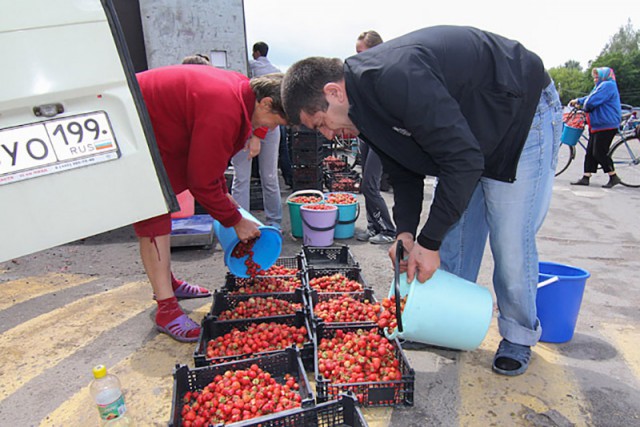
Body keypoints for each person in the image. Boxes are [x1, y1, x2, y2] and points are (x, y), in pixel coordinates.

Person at [281, 25, 562, 376]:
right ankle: (445, 320)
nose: (327, 133)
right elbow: (404, 170)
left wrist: (428, 242)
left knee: (510, 239)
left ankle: (518, 335)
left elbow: (462, 160)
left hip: (519, 114)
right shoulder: (362, 111)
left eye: (321, 122)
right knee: (455, 239)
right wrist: (406, 233)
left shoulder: (394, 77)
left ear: (334, 92)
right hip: (474, 134)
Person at [135, 65, 286, 342]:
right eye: (275, 121)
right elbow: (201, 181)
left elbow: (210, 166)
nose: (270, 128)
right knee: (154, 214)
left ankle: (167, 283)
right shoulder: (224, 108)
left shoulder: (241, 93)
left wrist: (226, 202)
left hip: (153, 127)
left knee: (161, 206)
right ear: (266, 103)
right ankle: (166, 310)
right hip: (133, 126)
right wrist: (235, 220)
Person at [231, 41, 283, 228]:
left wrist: (257, 136)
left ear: (256, 53)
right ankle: (242, 222)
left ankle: (272, 223)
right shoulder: (272, 69)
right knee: (251, 176)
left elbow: (270, 112)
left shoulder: (253, 67)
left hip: (267, 128)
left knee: (258, 176)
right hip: (246, 124)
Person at [353, 30, 396, 244]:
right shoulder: (365, 73)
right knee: (366, 183)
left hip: (381, 137)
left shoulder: (385, 73)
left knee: (370, 183)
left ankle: (388, 230)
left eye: (361, 51)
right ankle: (373, 226)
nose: (357, 55)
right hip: (367, 135)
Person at [569, 67, 622, 188]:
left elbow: (592, 101)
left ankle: (613, 176)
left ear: (604, 76)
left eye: (597, 77)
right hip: (598, 125)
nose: (595, 79)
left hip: (606, 124)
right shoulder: (600, 86)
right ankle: (586, 177)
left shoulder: (608, 85)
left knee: (599, 152)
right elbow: (590, 96)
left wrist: (585, 106)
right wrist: (578, 100)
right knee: (590, 152)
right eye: (594, 77)